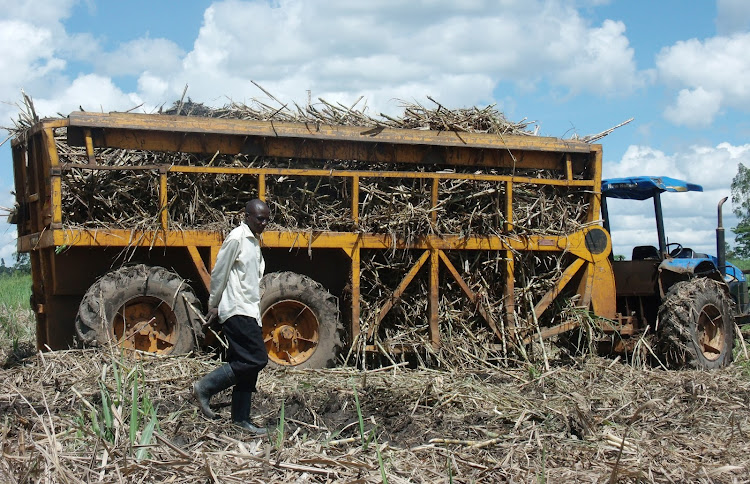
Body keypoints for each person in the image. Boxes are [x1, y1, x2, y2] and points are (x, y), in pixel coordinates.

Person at [192, 199, 271, 434]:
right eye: (260, 218)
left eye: (267, 219)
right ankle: (205, 386)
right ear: (246, 216)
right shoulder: (237, 237)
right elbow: (219, 272)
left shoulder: (254, 241)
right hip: (236, 308)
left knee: (249, 365)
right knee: (256, 359)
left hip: (249, 310)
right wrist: (214, 304)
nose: (264, 223)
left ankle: (241, 419)